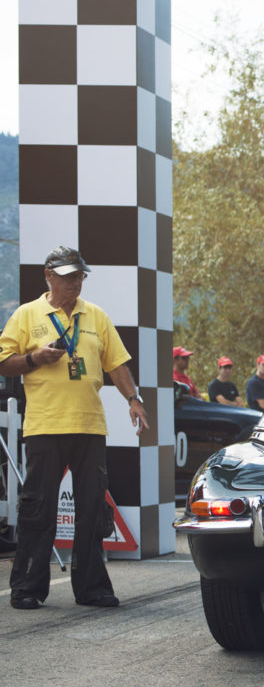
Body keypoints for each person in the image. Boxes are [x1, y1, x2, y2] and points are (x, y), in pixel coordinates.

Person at [0, 246, 149, 610]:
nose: (75, 283)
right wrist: (36, 358)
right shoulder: (26, 315)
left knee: (93, 511)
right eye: (68, 277)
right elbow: (4, 363)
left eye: (80, 276)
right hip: (45, 426)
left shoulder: (95, 316)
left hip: (89, 426)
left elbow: (117, 364)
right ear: (49, 276)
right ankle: (27, 588)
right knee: (38, 509)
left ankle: (93, 589)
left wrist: (134, 398)